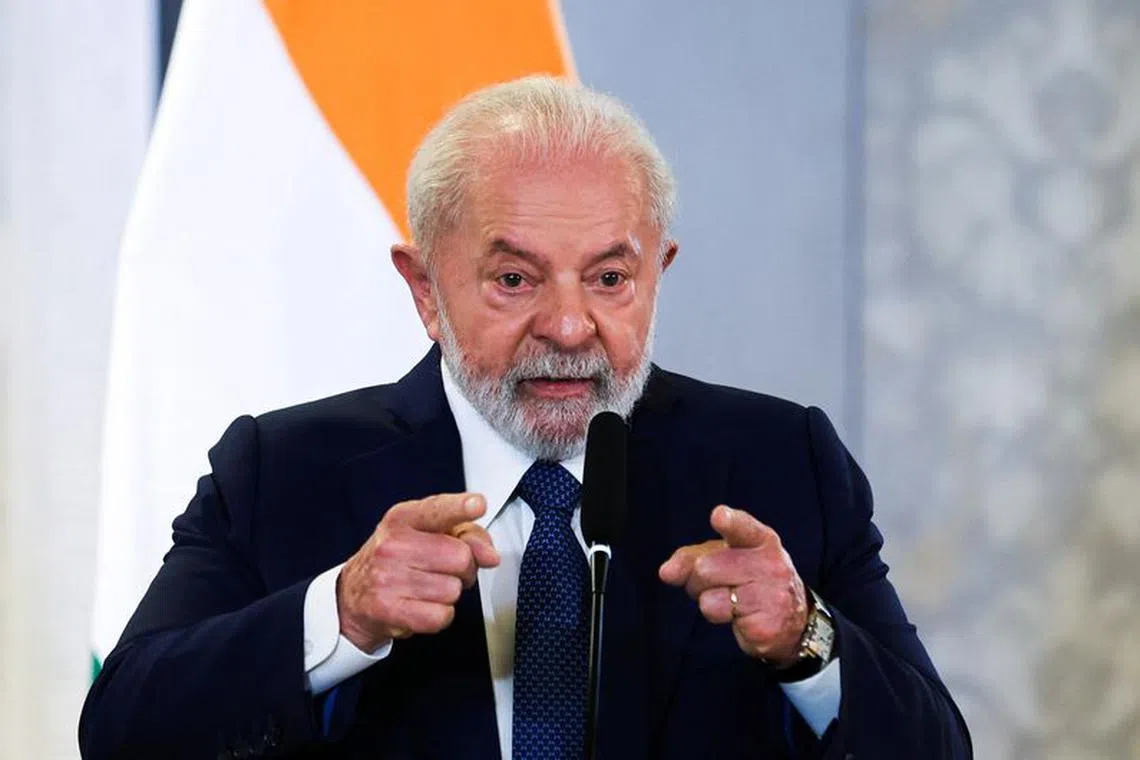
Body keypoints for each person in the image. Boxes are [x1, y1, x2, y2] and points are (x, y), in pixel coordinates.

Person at [79, 75, 971, 759]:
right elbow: (121, 731)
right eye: (514, 279)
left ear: (659, 269)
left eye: (611, 279)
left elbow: (938, 747)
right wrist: (339, 616)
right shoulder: (282, 469)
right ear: (424, 289)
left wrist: (806, 639)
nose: (570, 325)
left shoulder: (781, 463)